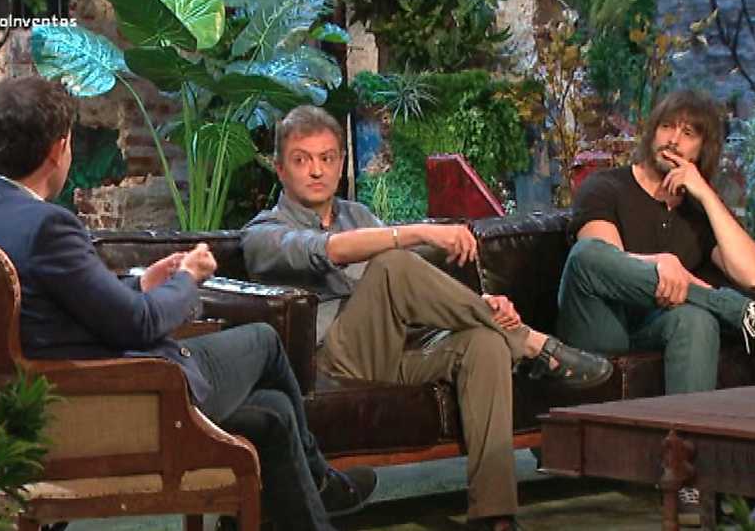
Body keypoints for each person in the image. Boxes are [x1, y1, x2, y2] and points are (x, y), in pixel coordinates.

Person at [0, 77, 375, 531]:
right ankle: (323, 482)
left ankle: (311, 497)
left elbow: (67, 302)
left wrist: (142, 283)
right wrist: (188, 278)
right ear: (59, 148)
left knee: (272, 412)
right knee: (265, 342)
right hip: (116, 401)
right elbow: (140, 325)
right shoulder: (47, 226)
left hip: (51, 397)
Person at [241, 105, 613, 531]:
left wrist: (485, 305)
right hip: (331, 362)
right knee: (392, 264)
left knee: (485, 343)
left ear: (341, 163)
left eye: (327, 158)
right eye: (301, 159)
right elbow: (329, 250)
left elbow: (413, 290)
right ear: (280, 168)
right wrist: (418, 231)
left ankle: (493, 515)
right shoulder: (263, 232)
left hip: (394, 352)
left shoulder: (358, 215)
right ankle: (532, 343)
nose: (316, 171)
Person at [556, 89, 755, 395]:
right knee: (585, 253)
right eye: (667, 126)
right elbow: (603, 261)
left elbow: (751, 273)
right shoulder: (604, 186)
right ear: (652, 132)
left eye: (688, 134)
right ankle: (737, 310)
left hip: (650, 327)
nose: (673, 140)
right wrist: (663, 264)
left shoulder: (697, 212)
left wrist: (705, 193)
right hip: (600, 323)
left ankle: (687, 426)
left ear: (702, 149)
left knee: (696, 319)